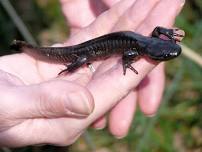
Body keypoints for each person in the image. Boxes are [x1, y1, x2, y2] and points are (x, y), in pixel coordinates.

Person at [0, 0, 185, 147]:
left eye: (168, 52)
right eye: (165, 55)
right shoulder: (140, 48)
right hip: (89, 50)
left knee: (81, 54)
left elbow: (156, 32)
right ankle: (32, 51)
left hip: (110, 41)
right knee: (80, 58)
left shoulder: (148, 42)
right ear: (154, 52)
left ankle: (24, 47)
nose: (169, 54)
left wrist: (166, 33)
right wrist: (127, 64)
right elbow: (132, 51)